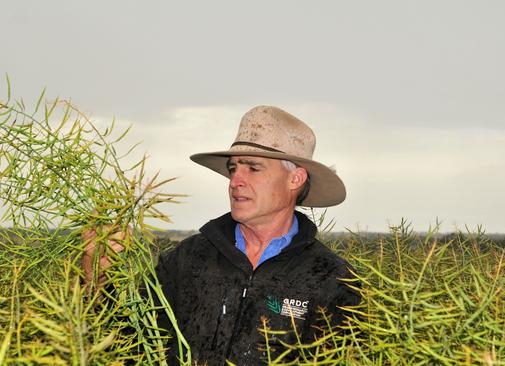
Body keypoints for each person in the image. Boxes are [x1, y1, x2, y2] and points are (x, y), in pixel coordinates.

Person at [85, 105, 361, 365]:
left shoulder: (332, 279)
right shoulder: (188, 258)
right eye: (233, 168)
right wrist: (97, 273)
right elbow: (126, 340)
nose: (236, 181)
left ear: (295, 179)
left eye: (253, 168)